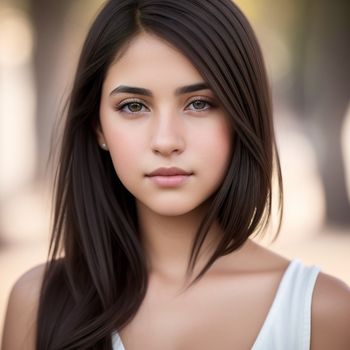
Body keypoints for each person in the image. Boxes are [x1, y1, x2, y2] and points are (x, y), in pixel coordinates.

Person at [2, 0, 350, 349]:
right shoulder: (37, 305)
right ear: (98, 126)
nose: (166, 141)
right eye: (133, 106)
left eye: (199, 103)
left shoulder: (320, 312)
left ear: (242, 111)